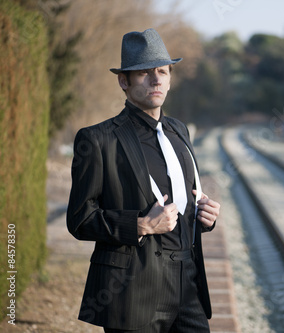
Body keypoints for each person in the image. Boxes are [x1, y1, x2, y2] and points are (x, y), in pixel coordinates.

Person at [67, 28, 220, 332]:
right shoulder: (97, 140)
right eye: (144, 73)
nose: (156, 79)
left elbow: (186, 197)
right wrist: (141, 225)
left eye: (163, 71)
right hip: (132, 290)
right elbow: (80, 219)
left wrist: (204, 215)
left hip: (188, 284)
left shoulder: (179, 131)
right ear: (124, 81)